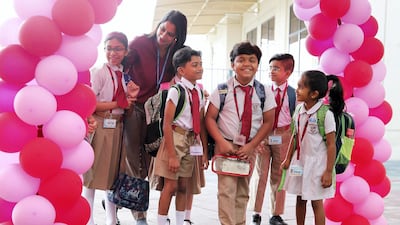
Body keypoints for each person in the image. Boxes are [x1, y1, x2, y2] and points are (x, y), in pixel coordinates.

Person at [123, 10, 188, 225]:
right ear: (158, 26)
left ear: (177, 37)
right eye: (162, 29)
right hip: (135, 108)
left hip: (154, 110)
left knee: (150, 159)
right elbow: (122, 65)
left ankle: (144, 204)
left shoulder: (175, 53)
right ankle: (139, 215)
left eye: (170, 34)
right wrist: (125, 89)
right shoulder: (140, 43)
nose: (164, 36)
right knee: (133, 158)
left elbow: (181, 75)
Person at [205, 41, 276, 225]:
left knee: (243, 191)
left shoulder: (264, 91)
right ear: (232, 64)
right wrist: (221, 141)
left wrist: (251, 146)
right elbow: (209, 118)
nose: (247, 64)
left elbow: (268, 122)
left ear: (257, 65)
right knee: (227, 191)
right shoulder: (222, 89)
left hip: (248, 147)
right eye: (241, 60)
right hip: (226, 146)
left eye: (252, 60)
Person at [82, 31, 134, 225]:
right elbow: (91, 103)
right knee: (93, 174)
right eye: (109, 48)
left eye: (118, 49)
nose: (113, 53)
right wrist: (118, 104)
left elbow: (127, 102)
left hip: (118, 127)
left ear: (126, 51)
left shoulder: (124, 75)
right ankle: (89, 219)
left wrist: (127, 103)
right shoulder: (99, 72)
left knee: (113, 176)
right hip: (101, 124)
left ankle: (112, 220)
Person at [154, 46, 208, 225]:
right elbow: (167, 123)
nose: (199, 68)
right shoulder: (176, 91)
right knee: (170, 186)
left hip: (192, 139)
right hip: (176, 139)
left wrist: (204, 153)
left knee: (185, 186)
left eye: (200, 64)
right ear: (181, 70)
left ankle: (180, 221)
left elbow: (200, 121)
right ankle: (161, 222)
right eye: (195, 65)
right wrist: (171, 155)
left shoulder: (199, 91)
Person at [281, 70, 336, 225]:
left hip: (317, 164)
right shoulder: (299, 110)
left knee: (316, 202)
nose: (296, 90)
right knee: (300, 198)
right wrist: (287, 158)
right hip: (300, 162)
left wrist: (328, 171)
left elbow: (331, 145)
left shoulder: (325, 114)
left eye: (300, 87)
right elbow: (294, 135)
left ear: (313, 94)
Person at [249, 53, 296, 225]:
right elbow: (256, 115)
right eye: (270, 68)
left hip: (283, 135)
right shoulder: (262, 92)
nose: (271, 71)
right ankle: (256, 212)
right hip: (264, 135)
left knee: (279, 174)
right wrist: (256, 139)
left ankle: (276, 214)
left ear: (288, 72)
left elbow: (295, 118)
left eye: (276, 68)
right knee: (260, 174)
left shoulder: (294, 94)